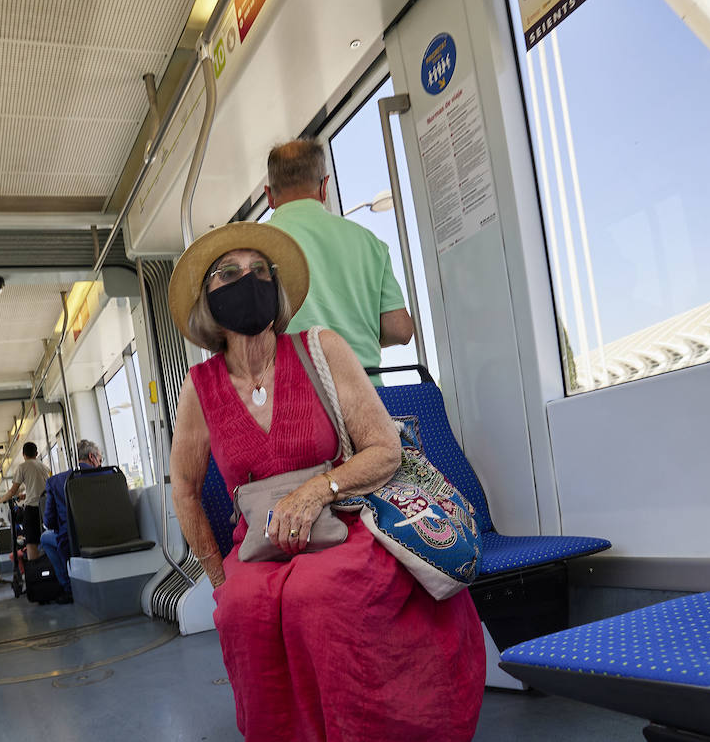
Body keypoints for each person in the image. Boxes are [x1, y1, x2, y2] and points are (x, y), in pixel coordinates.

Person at [166, 221, 484, 741]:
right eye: (228, 273)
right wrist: (217, 581)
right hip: (258, 545)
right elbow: (183, 488)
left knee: (317, 596)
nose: (248, 280)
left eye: (259, 271)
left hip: (344, 517)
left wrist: (318, 490)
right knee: (243, 611)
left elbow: (385, 448)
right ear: (208, 302)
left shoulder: (320, 348)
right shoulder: (198, 390)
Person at [263, 139, 415, 380]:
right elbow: (400, 329)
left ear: (269, 195)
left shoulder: (255, 247)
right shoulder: (370, 243)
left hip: (296, 399)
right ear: (324, 187)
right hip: (368, 396)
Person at [39, 439, 104, 604]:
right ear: (92, 457)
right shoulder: (109, 475)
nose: (101, 464)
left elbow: (50, 521)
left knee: (45, 538)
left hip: (73, 541)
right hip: (106, 535)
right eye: (100, 460)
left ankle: (68, 587)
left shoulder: (56, 482)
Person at [5, 442, 51, 560]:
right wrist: (25, 495)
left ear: (23, 454)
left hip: (32, 509)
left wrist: (2, 499)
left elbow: (12, 491)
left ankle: (35, 570)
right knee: (48, 537)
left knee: (31, 542)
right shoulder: (45, 467)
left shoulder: (22, 467)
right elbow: (42, 489)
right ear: (36, 453)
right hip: (46, 507)